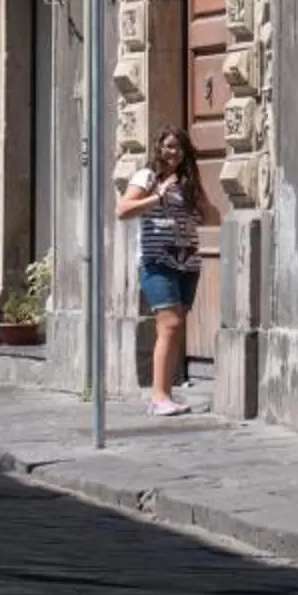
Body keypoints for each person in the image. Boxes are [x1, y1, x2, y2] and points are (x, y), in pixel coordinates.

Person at [117, 126, 205, 416]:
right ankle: (157, 397)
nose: (174, 152)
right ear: (158, 148)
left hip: (187, 261)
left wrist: (201, 206)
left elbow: (206, 214)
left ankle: (165, 394)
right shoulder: (147, 177)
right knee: (170, 324)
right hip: (157, 261)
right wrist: (157, 197)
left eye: (179, 147)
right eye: (169, 146)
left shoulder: (186, 182)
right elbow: (123, 210)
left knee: (174, 327)